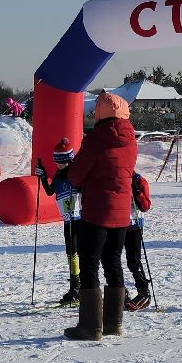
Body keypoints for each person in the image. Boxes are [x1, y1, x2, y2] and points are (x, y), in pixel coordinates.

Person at [62, 91, 138, 340]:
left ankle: (90, 326)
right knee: (113, 262)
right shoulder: (131, 139)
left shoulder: (96, 140)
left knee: (90, 264)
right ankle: (113, 323)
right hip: (121, 212)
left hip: (96, 211)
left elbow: (76, 176)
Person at [35, 139, 82, 307]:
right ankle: (75, 286)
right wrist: (42, 175)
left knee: (80, 253)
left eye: (62, 162)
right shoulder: (58, 176)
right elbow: (49, 192)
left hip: (80, 220)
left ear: (70, 160)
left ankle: (82, 288)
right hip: (67, 220)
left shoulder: (76, 173)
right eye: (57, 162)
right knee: (71, 253)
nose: (60, 165)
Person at [124, 172, 154, 311]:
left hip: (133, 225)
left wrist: (137, 192)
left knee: (133, 261)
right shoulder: (113, 174)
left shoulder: (138, 180)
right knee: (111, 259)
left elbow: (146, 206)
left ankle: (143, 291)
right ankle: (119, 291)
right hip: (115, 224)